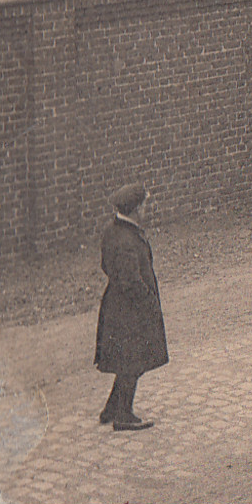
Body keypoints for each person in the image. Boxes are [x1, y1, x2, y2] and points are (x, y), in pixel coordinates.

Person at [95, 184, 166, 432]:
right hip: (129, 310)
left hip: (118, 306)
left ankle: (111, 409)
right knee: (133, 361)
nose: (147, 210)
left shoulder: (114, 231)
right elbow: (130, 281)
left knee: (128, 360)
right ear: (135, 210)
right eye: (144, 206)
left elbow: (106, 266)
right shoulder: (125, 240)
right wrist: (149, 302)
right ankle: (123, 415)